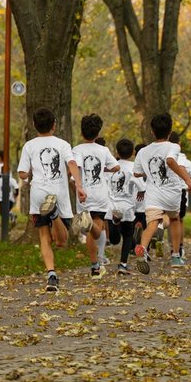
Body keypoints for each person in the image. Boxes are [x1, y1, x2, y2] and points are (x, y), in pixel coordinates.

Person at [17, 107, 84, 292]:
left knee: (44, 237)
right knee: (62, 242)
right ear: (54, 125)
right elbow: (71, 164)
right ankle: (54, 214)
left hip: (38, 195)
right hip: (59, 195)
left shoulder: (29, 146)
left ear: (34, 125)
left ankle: (51, 275)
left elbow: (22, 172)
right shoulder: (63, 144)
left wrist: (29, 175)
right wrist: (78, 186)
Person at [132, 113, 191, 273]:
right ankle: (175, 256)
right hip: (171, 193)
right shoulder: (173, 146)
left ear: (152, 131)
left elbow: (137, 173)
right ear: (170, 130)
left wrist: (149, 170)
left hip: (152, 194)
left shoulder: (143, 152)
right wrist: (188, 180)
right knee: (174, 220)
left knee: (152, 223)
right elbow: (171, 161)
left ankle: (143, 249)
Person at [74, 115, 119, 278]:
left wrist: (78, 186)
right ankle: (96, 266)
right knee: (97, 230)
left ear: (81, 131)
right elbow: (116, 167)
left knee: (90, 233)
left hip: (84, 194)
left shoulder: (77, 150)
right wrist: (102, 170)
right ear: (98, 133)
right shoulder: (103, 150)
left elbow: (76, 169)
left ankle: (94, 265)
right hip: (100, 194)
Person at [107, 138, 141, 276]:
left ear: (117, 152)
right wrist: (142, 191)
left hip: (112, 205)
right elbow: (141, 185)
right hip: (127, 207)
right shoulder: (134, 167)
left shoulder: (111, 166)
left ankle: (115, 223)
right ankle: (123, 265)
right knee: (127, 235)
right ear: (133, 152)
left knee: (114, 240)